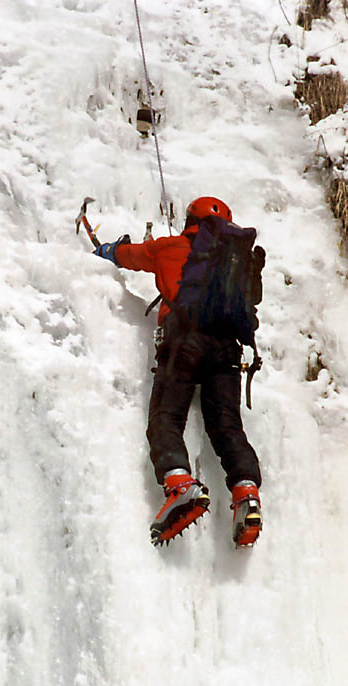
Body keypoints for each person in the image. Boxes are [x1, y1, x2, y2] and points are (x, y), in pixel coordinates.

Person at [94, 196, 262, 547]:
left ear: (189, 220)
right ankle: (246, 493)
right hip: (227, 348)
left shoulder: (170, 245)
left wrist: (108, 250)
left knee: (166, 418)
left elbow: (131, 256)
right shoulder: (234, 262)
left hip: (184, 340)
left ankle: (179, 483)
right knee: (227, 426)